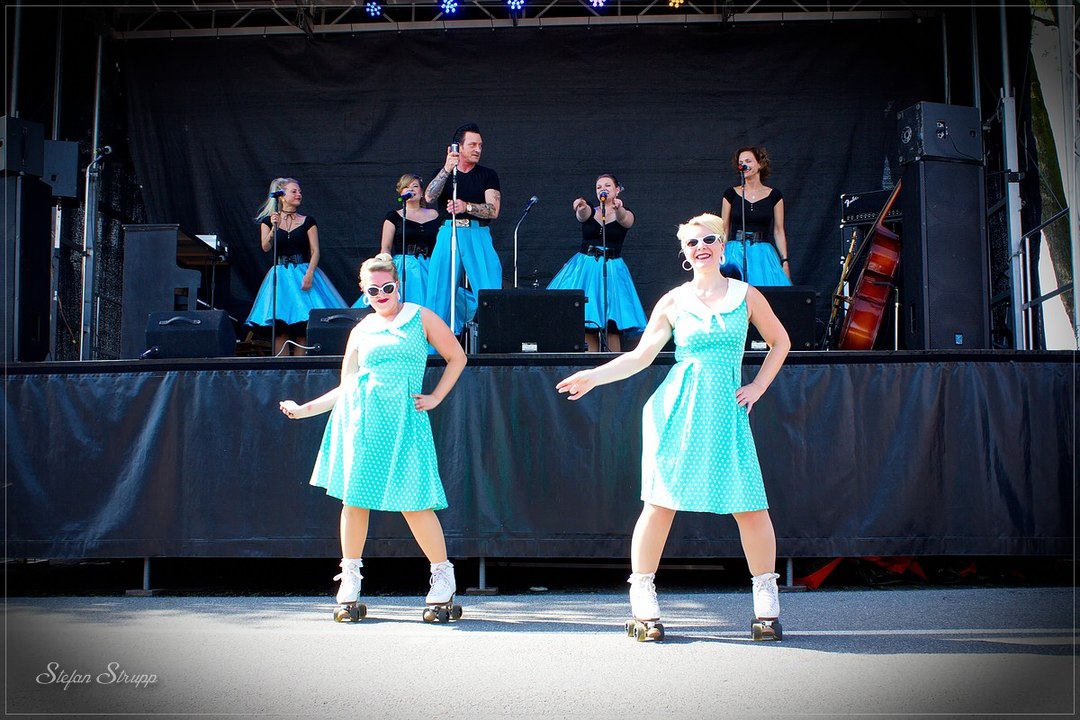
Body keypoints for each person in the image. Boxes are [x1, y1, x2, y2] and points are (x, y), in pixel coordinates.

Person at [556, 213, 791, 641]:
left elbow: (781, 342)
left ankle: (765, 598)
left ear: (722, 245)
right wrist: (593, 376)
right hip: (676, 410)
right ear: (684, 252)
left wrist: (758, 386)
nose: (701, 247)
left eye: (709, 240)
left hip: (725, 411)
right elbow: (640, 357)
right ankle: (643, 595)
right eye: (692, 243)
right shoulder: (673, 301)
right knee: (660, 504)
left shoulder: (747, 295)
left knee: (749, 505)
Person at [279, 253, 467, 620]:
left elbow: (456, 357)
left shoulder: (420, 317)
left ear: (398, 286)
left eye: (387, 287)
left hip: (404, 422)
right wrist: (305, 409)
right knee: (354, 500)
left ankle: (443, 576)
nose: (381, 295)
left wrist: (435, 397)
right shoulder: (361, 329)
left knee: (414, 501)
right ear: (364, 292)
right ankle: (350, 576)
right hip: (361, 421)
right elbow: (347, 386)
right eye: (373, 290)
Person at [246, 177, 347, 356]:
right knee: (280, 328)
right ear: (281, 196)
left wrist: (310, 273)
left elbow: (315, 251)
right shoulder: (268, 221)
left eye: (299, 191)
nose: (299, 194)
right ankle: (281, 369)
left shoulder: (308, 221)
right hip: (281, 276)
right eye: (294, 191)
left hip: (302, 271)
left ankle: (300, 368)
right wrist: (274, 227)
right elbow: (266, 247)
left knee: (303, 327)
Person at [547, 173, 648, 352]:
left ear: (617, 190)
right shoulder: (591, 210)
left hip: (611, 268)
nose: (603, 189)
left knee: (612, 325)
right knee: (587, 323)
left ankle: (613, 366)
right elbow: (583, 215)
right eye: (599, 187)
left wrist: (618, 208)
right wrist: (581, 206)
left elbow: (625, 220)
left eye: (607, 185)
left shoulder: (625, 211)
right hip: (586, 269)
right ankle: (590, 365)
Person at [423, 123, 503, 336]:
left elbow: (493, 210)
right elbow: (429, 197)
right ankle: (435, 346)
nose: (478, 149)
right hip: (449, 232)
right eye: (473, 145)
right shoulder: (444, 173)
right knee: (439, 289)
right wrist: (446, 169)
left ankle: (494, 341)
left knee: (489, 288)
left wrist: (466, 207)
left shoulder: (487, 175)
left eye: (480, 145)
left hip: (477, 232)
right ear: (457, 147)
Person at [352, 173, 440, 309]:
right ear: (401, 193)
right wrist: (386, 266)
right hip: (403, 265)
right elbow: (386, 247)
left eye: (415, 186)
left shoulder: (434, 215)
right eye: (406, 187)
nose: (411, 190)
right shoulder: (394, 216)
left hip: (429, 265)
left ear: (422, 192)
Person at [720, 147, 792, 286]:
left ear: (760, 164)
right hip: (735, 251)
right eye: (741, 162)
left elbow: (778, 230)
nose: (744, 165)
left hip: (762, 254)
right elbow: (724, 228)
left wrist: (785, 261)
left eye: (748, 161)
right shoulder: (731, 194)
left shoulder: (774, 195)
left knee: (766, 291)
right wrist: (720, 254)